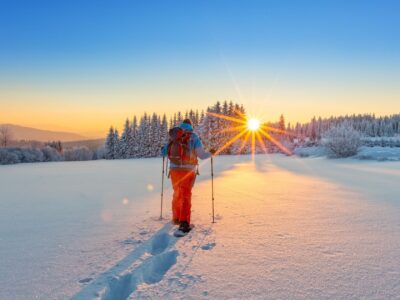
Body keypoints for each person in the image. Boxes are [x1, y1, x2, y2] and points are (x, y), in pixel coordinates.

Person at [162, 119, 215, 233]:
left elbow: (164, 152)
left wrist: (163, 149)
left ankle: (176, 218)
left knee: (177, 192)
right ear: (191, 126)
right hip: (188, 170)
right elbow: (201, 155)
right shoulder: (194, 137)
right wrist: (211, 152)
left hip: (174, 170)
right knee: (186, 194)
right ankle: (184, 223)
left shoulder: (175, 135)